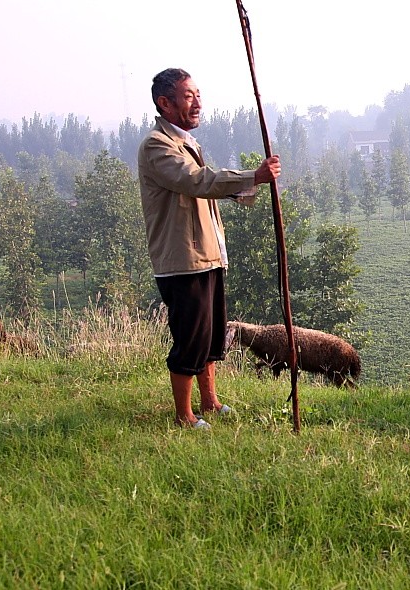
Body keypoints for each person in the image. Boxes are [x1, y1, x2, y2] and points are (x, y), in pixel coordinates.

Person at [138, 68, 281, 429]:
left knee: (211, 333)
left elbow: (205, 180)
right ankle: (184, 415)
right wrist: (252, 177)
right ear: (164, 103)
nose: (198, 102)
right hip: (183, 260)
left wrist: (250, 182)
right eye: (188, 96)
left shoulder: (186, 143)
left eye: (198, 94)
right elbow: (197, 180)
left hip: (207, 255)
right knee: (191, 337)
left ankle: (210, 402)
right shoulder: (158, 146)